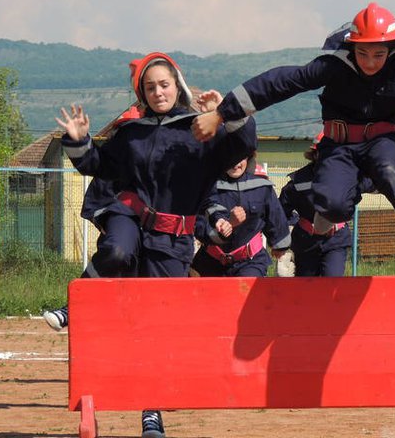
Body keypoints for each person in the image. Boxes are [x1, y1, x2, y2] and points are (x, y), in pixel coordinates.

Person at [55, 52, 256, 438]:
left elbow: (239, 150)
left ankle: (152, 414)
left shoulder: (199, 129)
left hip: (173, 243)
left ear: (176, 85)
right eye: (149, 87)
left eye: (164, 85)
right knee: (115, 255)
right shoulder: (132, 132)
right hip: (133, 222)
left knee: (156, 331)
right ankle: (74, 305)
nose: (158, 92)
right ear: (141, 94)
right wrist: (78, 142)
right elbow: (101, 165)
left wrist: (229, 117)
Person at [192, 2, 395, 278]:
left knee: (392, 176)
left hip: (383, 142)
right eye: (363, 53)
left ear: (392, 47)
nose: (371, 62)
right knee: (332, 203)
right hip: (339, 146)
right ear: (352, 46)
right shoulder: (335, 65)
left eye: (378, 54)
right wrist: (221, 113)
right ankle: (329, 209)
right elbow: (281, 82)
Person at [43, 105, 144, 332]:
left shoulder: (167, 159)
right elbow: (96, 189)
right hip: (125, 237)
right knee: (117, 252)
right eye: (123, 132)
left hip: (165, 239)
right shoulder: (112, 166)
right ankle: (73, 307)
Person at [278, 132, 374, 277]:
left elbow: (372, 183)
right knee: (307, 289)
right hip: (306, 243)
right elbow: (280, 212)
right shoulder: (298, 181)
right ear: (315, 154)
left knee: (333, 281)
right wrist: (288, 235)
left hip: (336, 240)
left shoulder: (347, 176)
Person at [192, 154, 291, 277]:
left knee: (246, 294)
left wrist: (280, 244)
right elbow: (200, 226)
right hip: (211, 261)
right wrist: (225, 227)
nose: (235, 163)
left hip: (251, 262)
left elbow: (275, 216)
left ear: (248, 158)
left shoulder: (261, 187)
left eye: (241, 157)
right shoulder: (208, 188)